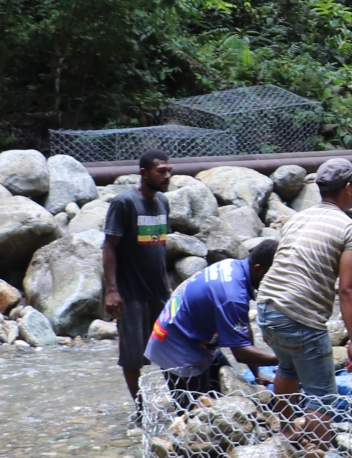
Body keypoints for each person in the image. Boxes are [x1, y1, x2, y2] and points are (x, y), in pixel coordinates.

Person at [255, 158, 352, 410]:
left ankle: (284, 437)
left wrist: (271, 320)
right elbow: (348, 289)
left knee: (288, 368)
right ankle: (319, 448)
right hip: (299, 317)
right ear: (348, 188)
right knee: (323, 398)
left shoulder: (297, 218)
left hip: (266, 307)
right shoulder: (350, 230)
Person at [144, 240, 279, 405]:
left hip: (195, 337)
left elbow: (243, 329)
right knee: (195, 414)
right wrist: (285, 359)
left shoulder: (234, 267)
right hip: (177, 348)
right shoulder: (233, 296)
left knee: (228, 395)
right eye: (274, 277)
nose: (276, 283)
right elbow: (241, 352)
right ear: (258, 269)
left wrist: (256, 373)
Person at [102, 151, 173, 408]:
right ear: (143, 172)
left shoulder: (163, 202)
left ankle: (179, 400)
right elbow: (109, 247)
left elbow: (159, 248)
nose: (167, 176)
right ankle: (140, 407)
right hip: (130, 293)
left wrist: (167, 286)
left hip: (158, 292)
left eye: (169, 171)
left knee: (170, 347)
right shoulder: (125, 203)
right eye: (161, 171)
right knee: (132, 355)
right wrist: (112, 291)